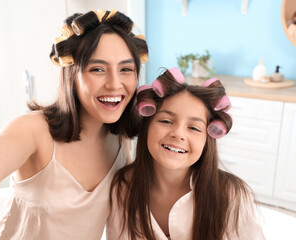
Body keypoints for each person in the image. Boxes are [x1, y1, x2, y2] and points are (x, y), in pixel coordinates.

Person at [0, 9, 148, 239]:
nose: (115, 84)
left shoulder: (120, 138)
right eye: (97, 69)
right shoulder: (36, 131)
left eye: (126, 69)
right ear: (72, 74)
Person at [107, 67, 266, 240]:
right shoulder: (122, 188)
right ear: (147, 126)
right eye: (166, 121)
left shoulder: (232, 196)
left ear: (208, 139)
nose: (179, 134)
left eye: (193, 128)